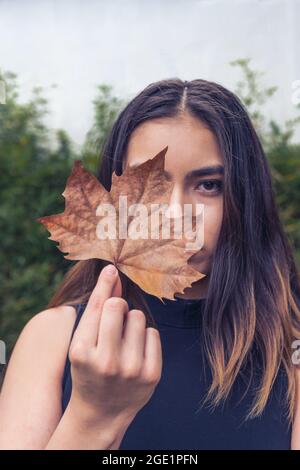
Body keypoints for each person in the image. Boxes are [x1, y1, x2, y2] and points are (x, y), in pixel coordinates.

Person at [0, 78, 299, 449]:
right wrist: (91, 419)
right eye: (152, 183)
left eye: (208, 185)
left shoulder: (289, 346)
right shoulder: (53, 339)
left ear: (246, 199)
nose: (175, 214)